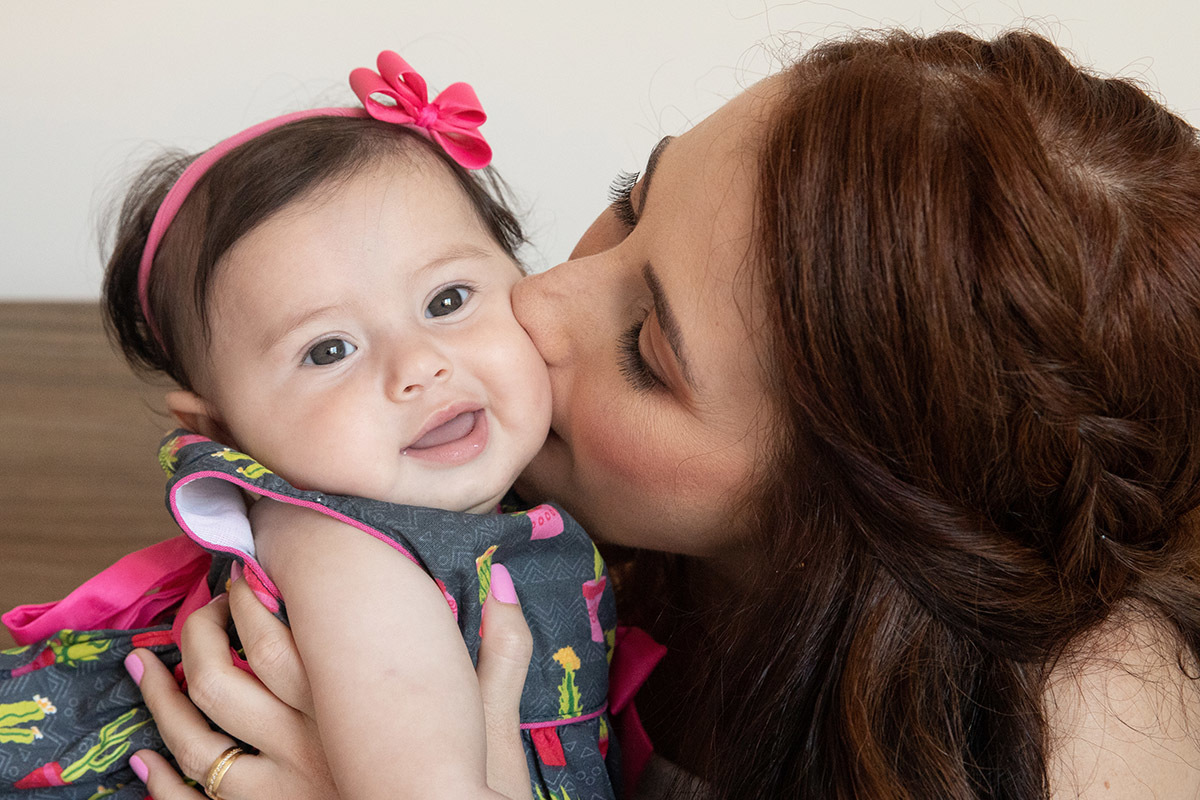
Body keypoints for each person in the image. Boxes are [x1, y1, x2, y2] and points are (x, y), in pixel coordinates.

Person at [130, 28, 1200, 799]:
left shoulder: (1079, 733)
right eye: (630, 201)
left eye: (646, 353)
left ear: (860, 509)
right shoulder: (449, 497)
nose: (537, 301)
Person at [1, 52, 618, 800]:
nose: (418, 366)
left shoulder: (529, 496)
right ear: (225, 435)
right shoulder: (340, 548)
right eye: (329, 350)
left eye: (449, 299)